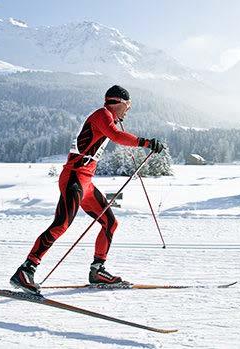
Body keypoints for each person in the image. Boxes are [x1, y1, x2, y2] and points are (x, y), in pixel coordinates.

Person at [10, 85, 164, 294]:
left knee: (110, 222)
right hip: (73, 177)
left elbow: (117, 135)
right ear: (118, 102)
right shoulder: (102, 115)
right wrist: (146, 142)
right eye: (128, 105)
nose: (128, 110)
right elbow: (117, 137)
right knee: (61, 224)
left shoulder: (109, 118)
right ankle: (26, 269)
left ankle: (97, 270)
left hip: (86, 182)